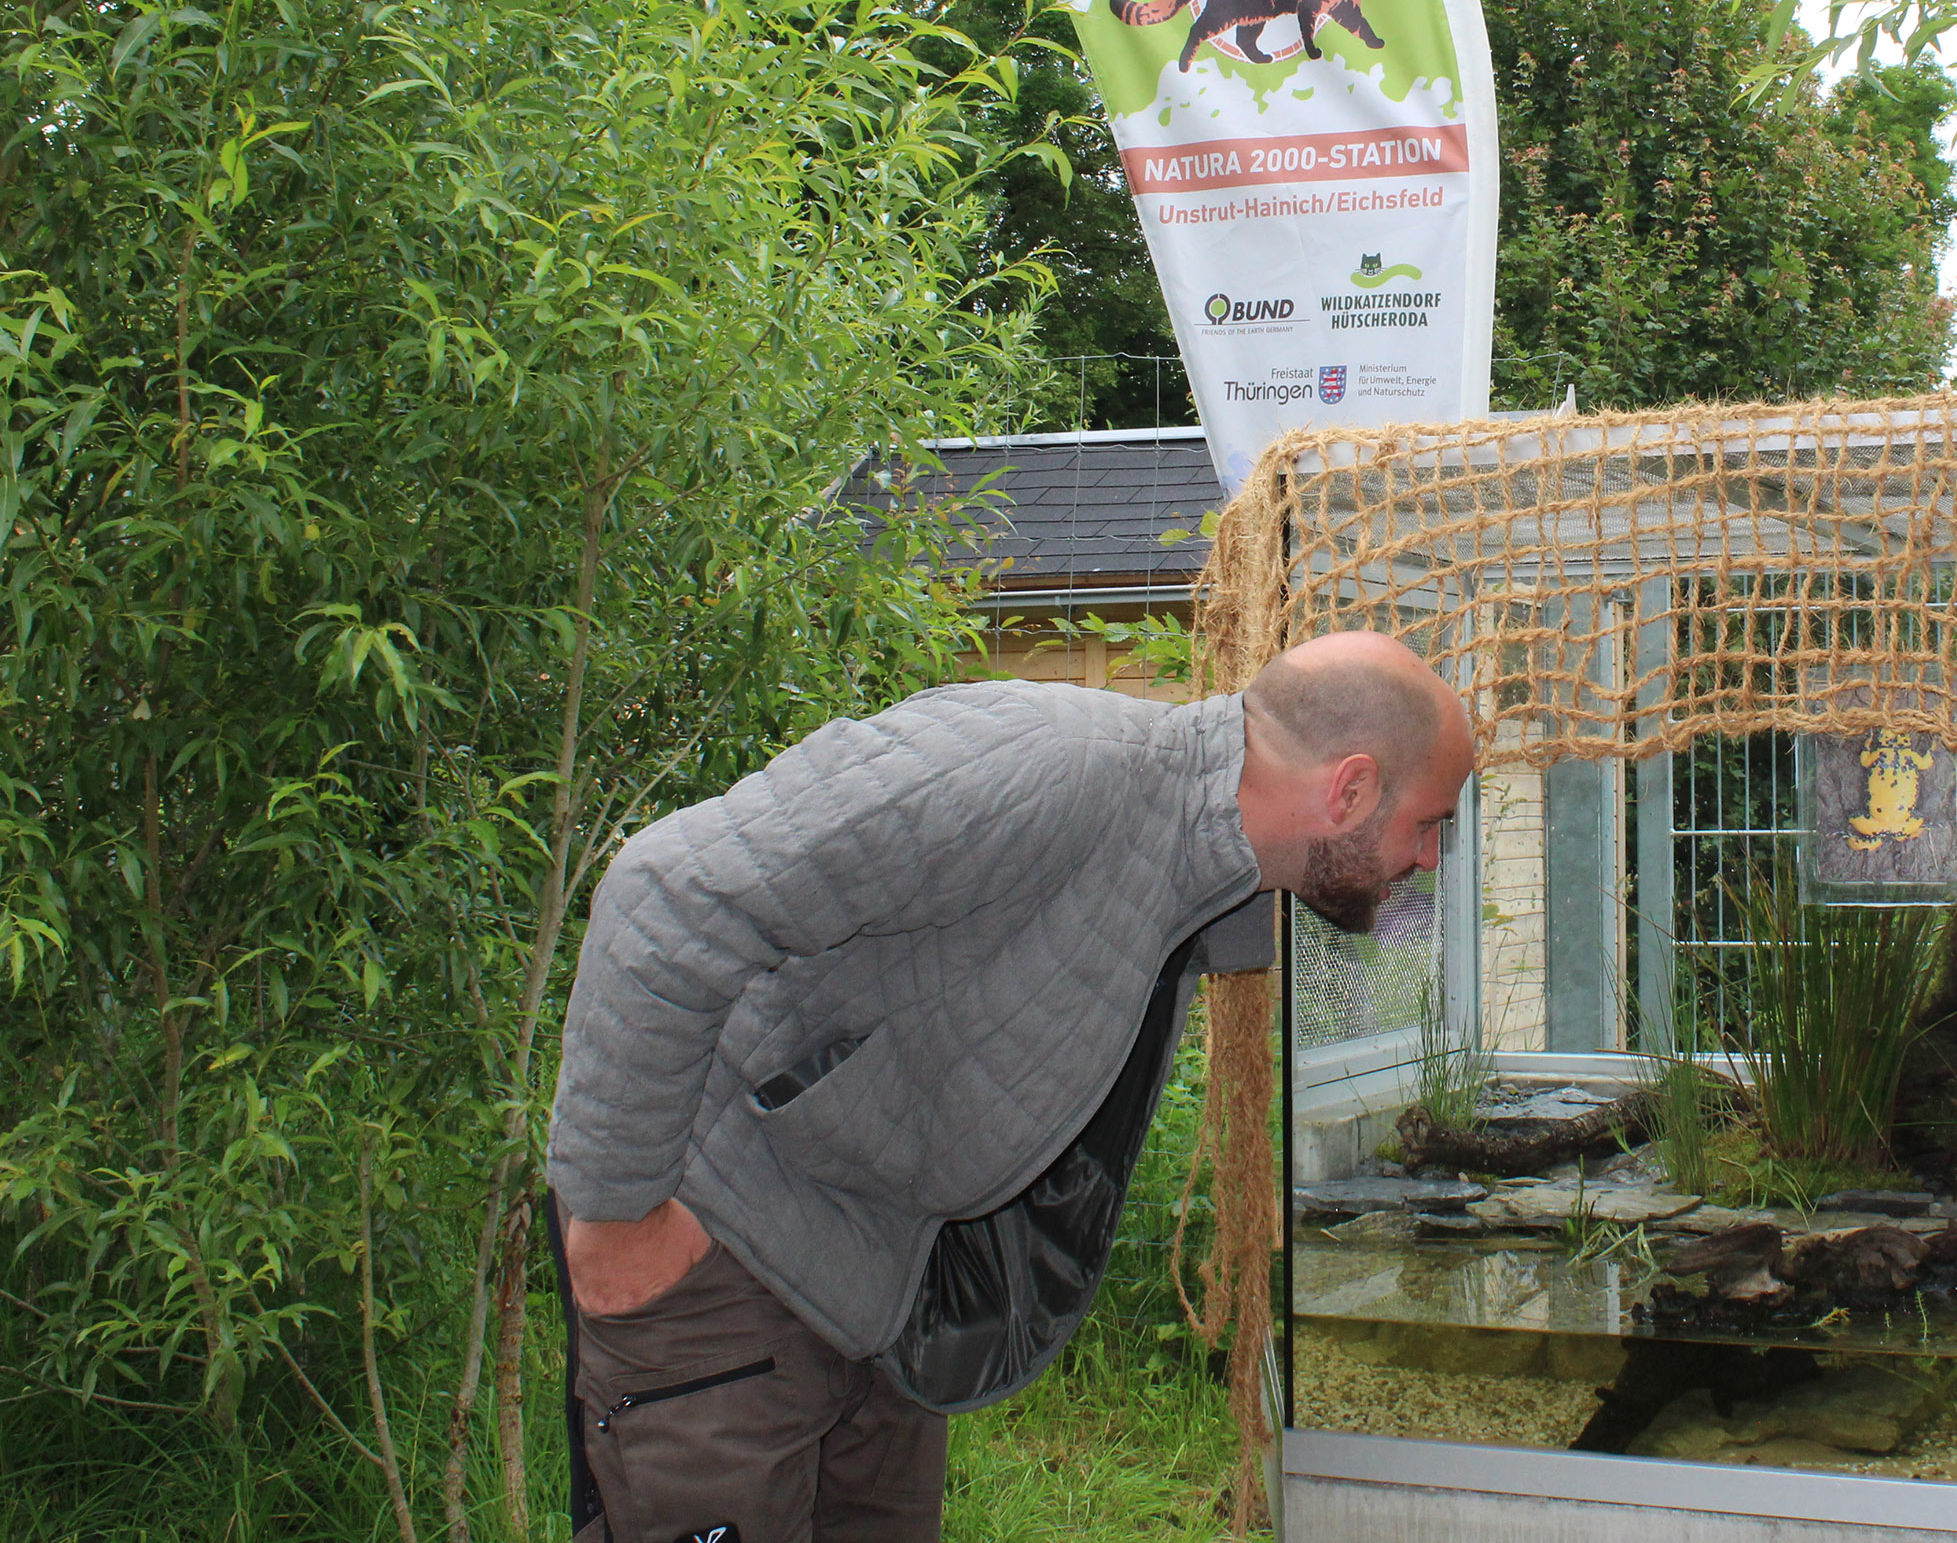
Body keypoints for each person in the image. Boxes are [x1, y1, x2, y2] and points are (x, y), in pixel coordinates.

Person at [544, 628, 1473, 1543]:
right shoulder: (1044, 762)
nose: (1431, 860)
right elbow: (666, 895)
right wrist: (615, 1218)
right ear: (1348, 788)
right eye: (1431, 822)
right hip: (723, 1255)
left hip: (880, 1294)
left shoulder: (1205, 862)